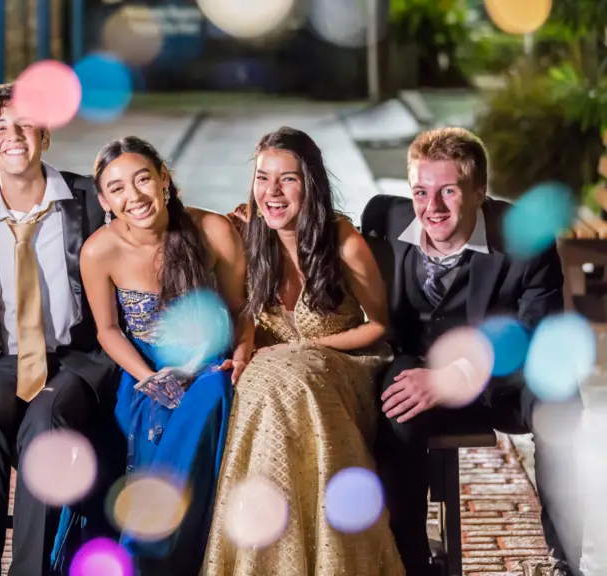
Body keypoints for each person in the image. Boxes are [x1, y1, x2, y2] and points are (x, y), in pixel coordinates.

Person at [370, 127, 584, 576]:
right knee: (394, 407)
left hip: (504, 385)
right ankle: (410, 560)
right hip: (422, 369)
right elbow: (324, 248)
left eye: (449, 191)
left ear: (479, 192)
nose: (433, 207)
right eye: (422, 192)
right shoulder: (384, 221)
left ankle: (562, 560)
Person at [203, 126, 404, 575]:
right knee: (258, 383)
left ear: (310, 183)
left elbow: (380, 326)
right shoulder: (249, 235)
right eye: (262, 178)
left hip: (342, 367)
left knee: (291, 380)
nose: (272, 191)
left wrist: (306, 346)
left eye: (287, 179)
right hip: (272, 375)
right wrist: (242, 351)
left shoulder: (342, 240)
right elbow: (245, 316)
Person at [0, 82, 117, 576]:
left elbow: (156, 222)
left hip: (78, 359)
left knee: (44, 427)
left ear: (45, 133)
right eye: (0, 127)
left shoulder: (89, 199)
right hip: (2, 360)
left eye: (24, 124)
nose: (13, 136)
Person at [77, 136, 250, 575]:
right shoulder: (99, 250)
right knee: (148, 414)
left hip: (209, 360)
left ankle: (143, 550)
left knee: (212, 391)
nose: (133, 196)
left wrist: (234, 354)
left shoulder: (211, 230)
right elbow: (108, 330)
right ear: (104, 200)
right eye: (117, 188)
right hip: (143, 368)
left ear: (164, 181)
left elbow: (239, 309)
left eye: (142, 180)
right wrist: (148, 377)